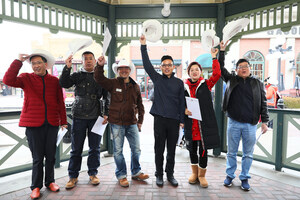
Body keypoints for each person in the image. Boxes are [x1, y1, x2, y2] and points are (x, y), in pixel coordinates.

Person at [3, 49, 68, 199]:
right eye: (33, 64)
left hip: (51, 123)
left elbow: (60, 103)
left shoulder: (54, 81)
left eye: (39, 63)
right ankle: (36, 186)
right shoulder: (26, 78)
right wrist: (18, 62)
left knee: (51, 156)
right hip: (33, 124)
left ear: (46, 64)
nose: (36, 66)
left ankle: (50, 182)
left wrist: (63, 121)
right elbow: (7, 80)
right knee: (38, 157)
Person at [219, 41, 269, 191]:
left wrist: (265, 121)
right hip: (234, 122)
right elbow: (220, 69)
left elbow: (263, 103)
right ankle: (229, 176)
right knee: (232, 153)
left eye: (246, 67)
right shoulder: (231, 80)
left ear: (250, 69)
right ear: (237, 69)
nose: (244, 69)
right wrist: (222, 51)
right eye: (241, 67)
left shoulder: (257, 83)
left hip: (250, 125)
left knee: (248, 154)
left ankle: (245, 177)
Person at [94, 57, 149, 187]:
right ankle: (121, 175)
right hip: (116, 123)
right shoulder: (112, 83)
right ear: (117, 70)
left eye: (126, 68)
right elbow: (99, 78)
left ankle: (136, 172)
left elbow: (140, 105)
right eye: (121, 68)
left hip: (132, 123)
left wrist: (140, 120)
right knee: (118, 151)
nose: (123, 70)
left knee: (136, 149)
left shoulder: (135, 86)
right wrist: (100, 66)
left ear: (130, 70)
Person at [140, 35, 185, 187]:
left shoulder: (179, 83)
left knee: (171, 151)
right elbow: (146, 65)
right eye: (164, 65)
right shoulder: (157, 79)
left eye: (169, 65)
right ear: (160, 67)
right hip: (159, 119)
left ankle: (170, 174)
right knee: (159, 149)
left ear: (173, 67)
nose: (167, 67)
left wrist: (182, 122)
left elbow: (182, 103)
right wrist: (143, 46)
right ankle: (159, 174)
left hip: (173, 121)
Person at [59, 51, 109, 189]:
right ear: (81, 62)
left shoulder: (100, 76)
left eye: (90, 59)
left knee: (95, 148)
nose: (88, 61)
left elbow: (107, 96)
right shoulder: (76, 75)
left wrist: (107, 113)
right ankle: (73, 176)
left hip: (96, 116)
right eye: (85, 59)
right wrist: (67, 67)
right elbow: (63, 83)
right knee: (76, 149)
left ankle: (93, 173)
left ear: (94, 61)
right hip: (79, 115)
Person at [184, 48, 221, 188]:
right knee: (192, 149)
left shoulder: (206, 84)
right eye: (192, 70)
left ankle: (202, 175)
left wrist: (214, 57)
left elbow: (217, 74)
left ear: (200, 72)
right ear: (189, 72)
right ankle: (194, 173)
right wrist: (184, 110)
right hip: (190, 123)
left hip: (203, 124)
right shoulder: (184, 87)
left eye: (196, 69)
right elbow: (180, 102)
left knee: (203, 150)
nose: (194, 71)